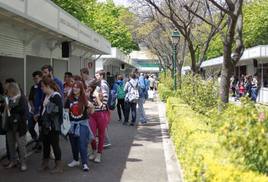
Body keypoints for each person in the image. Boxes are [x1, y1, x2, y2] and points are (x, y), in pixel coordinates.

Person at [65, 80, 94, 171]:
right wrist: (65, 125)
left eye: (77, 87)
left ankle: (85, 163)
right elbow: (65, 113)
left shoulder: (85, 99)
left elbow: (92, 110)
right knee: (73, 144)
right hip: (71, 125)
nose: (75, 89)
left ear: (81, 89)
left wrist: (91, 107)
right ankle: (76, 160)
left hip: (82, 124)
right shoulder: (69, 99)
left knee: (82, 144)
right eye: (74, 87)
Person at [39, 77, 63, 173]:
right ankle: (45, 163)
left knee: (55, 145)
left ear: (48, 86)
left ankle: (59, 166)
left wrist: (46, 105)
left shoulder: (56, 96)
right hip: (46, 125)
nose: (41, 88)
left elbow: (57, 111)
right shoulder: (46, 95)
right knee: (46, 145)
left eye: (43, 86)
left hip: (53, 126)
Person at [5, 82, 29, 171]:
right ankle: (13, 161)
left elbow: (25, 112)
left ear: (13, 90)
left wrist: (12, 109)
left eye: (8, 90)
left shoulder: (22, 98)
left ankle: (23, 163)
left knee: (21, 145)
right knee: (11, 144)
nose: (7, 92)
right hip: (10, 125)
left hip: (20, 125)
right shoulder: (8, 99)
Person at [88, 78, 109, 163]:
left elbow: (102, 107)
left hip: (101, 114)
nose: (88, 87)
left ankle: (99, 153)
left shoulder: (104, 94)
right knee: (92, 134)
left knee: (101, 135)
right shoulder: (89, 93)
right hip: (92, 115)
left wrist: (97, 96)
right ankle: (93, 151)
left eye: (90, 86)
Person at [95, 70, 112, 148]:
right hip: (103, 107)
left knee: (103, 126)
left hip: (102, 108)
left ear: (101, 76)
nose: (96, 76)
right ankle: (105, 141)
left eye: (97, 75)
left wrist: (103, 105)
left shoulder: (102, 84)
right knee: (103, 126)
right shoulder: (104, 83)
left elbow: (105, 96)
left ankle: (106, 142)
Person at [28, 71, 43, 152]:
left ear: (41, 77)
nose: (35, 80)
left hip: (41, 112)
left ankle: (39, 145)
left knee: (41, 129)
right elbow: (30, 99)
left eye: (36, 78)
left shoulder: (43, 86)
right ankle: (36, 140)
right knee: (30, 127)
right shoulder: (33, 87)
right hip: (34, 111)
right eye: (34, 79)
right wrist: (32, 107)